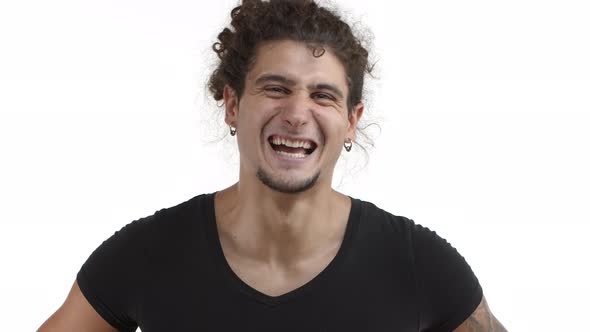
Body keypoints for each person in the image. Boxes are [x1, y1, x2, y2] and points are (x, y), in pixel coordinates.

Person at [38, 0, 507, 331]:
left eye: (323, 95)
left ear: (351, 121)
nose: (298, 113)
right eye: (276, 88)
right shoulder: (150, 252)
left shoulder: (415, 263)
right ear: (232, 105)